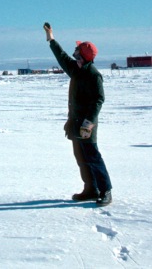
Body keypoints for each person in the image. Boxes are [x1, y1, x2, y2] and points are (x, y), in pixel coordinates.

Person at [43, 22, 112, 206]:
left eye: (77, 51)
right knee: (81, 158)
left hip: (86, 125)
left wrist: (88, 124)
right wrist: (51, 39)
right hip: (75, 122)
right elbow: (62, 57)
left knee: (93, 157)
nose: (74, 54)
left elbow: (99, 100)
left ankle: (106, 191)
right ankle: (90, 189)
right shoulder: (76, 69)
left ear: (82, 56)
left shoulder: (93, 75)